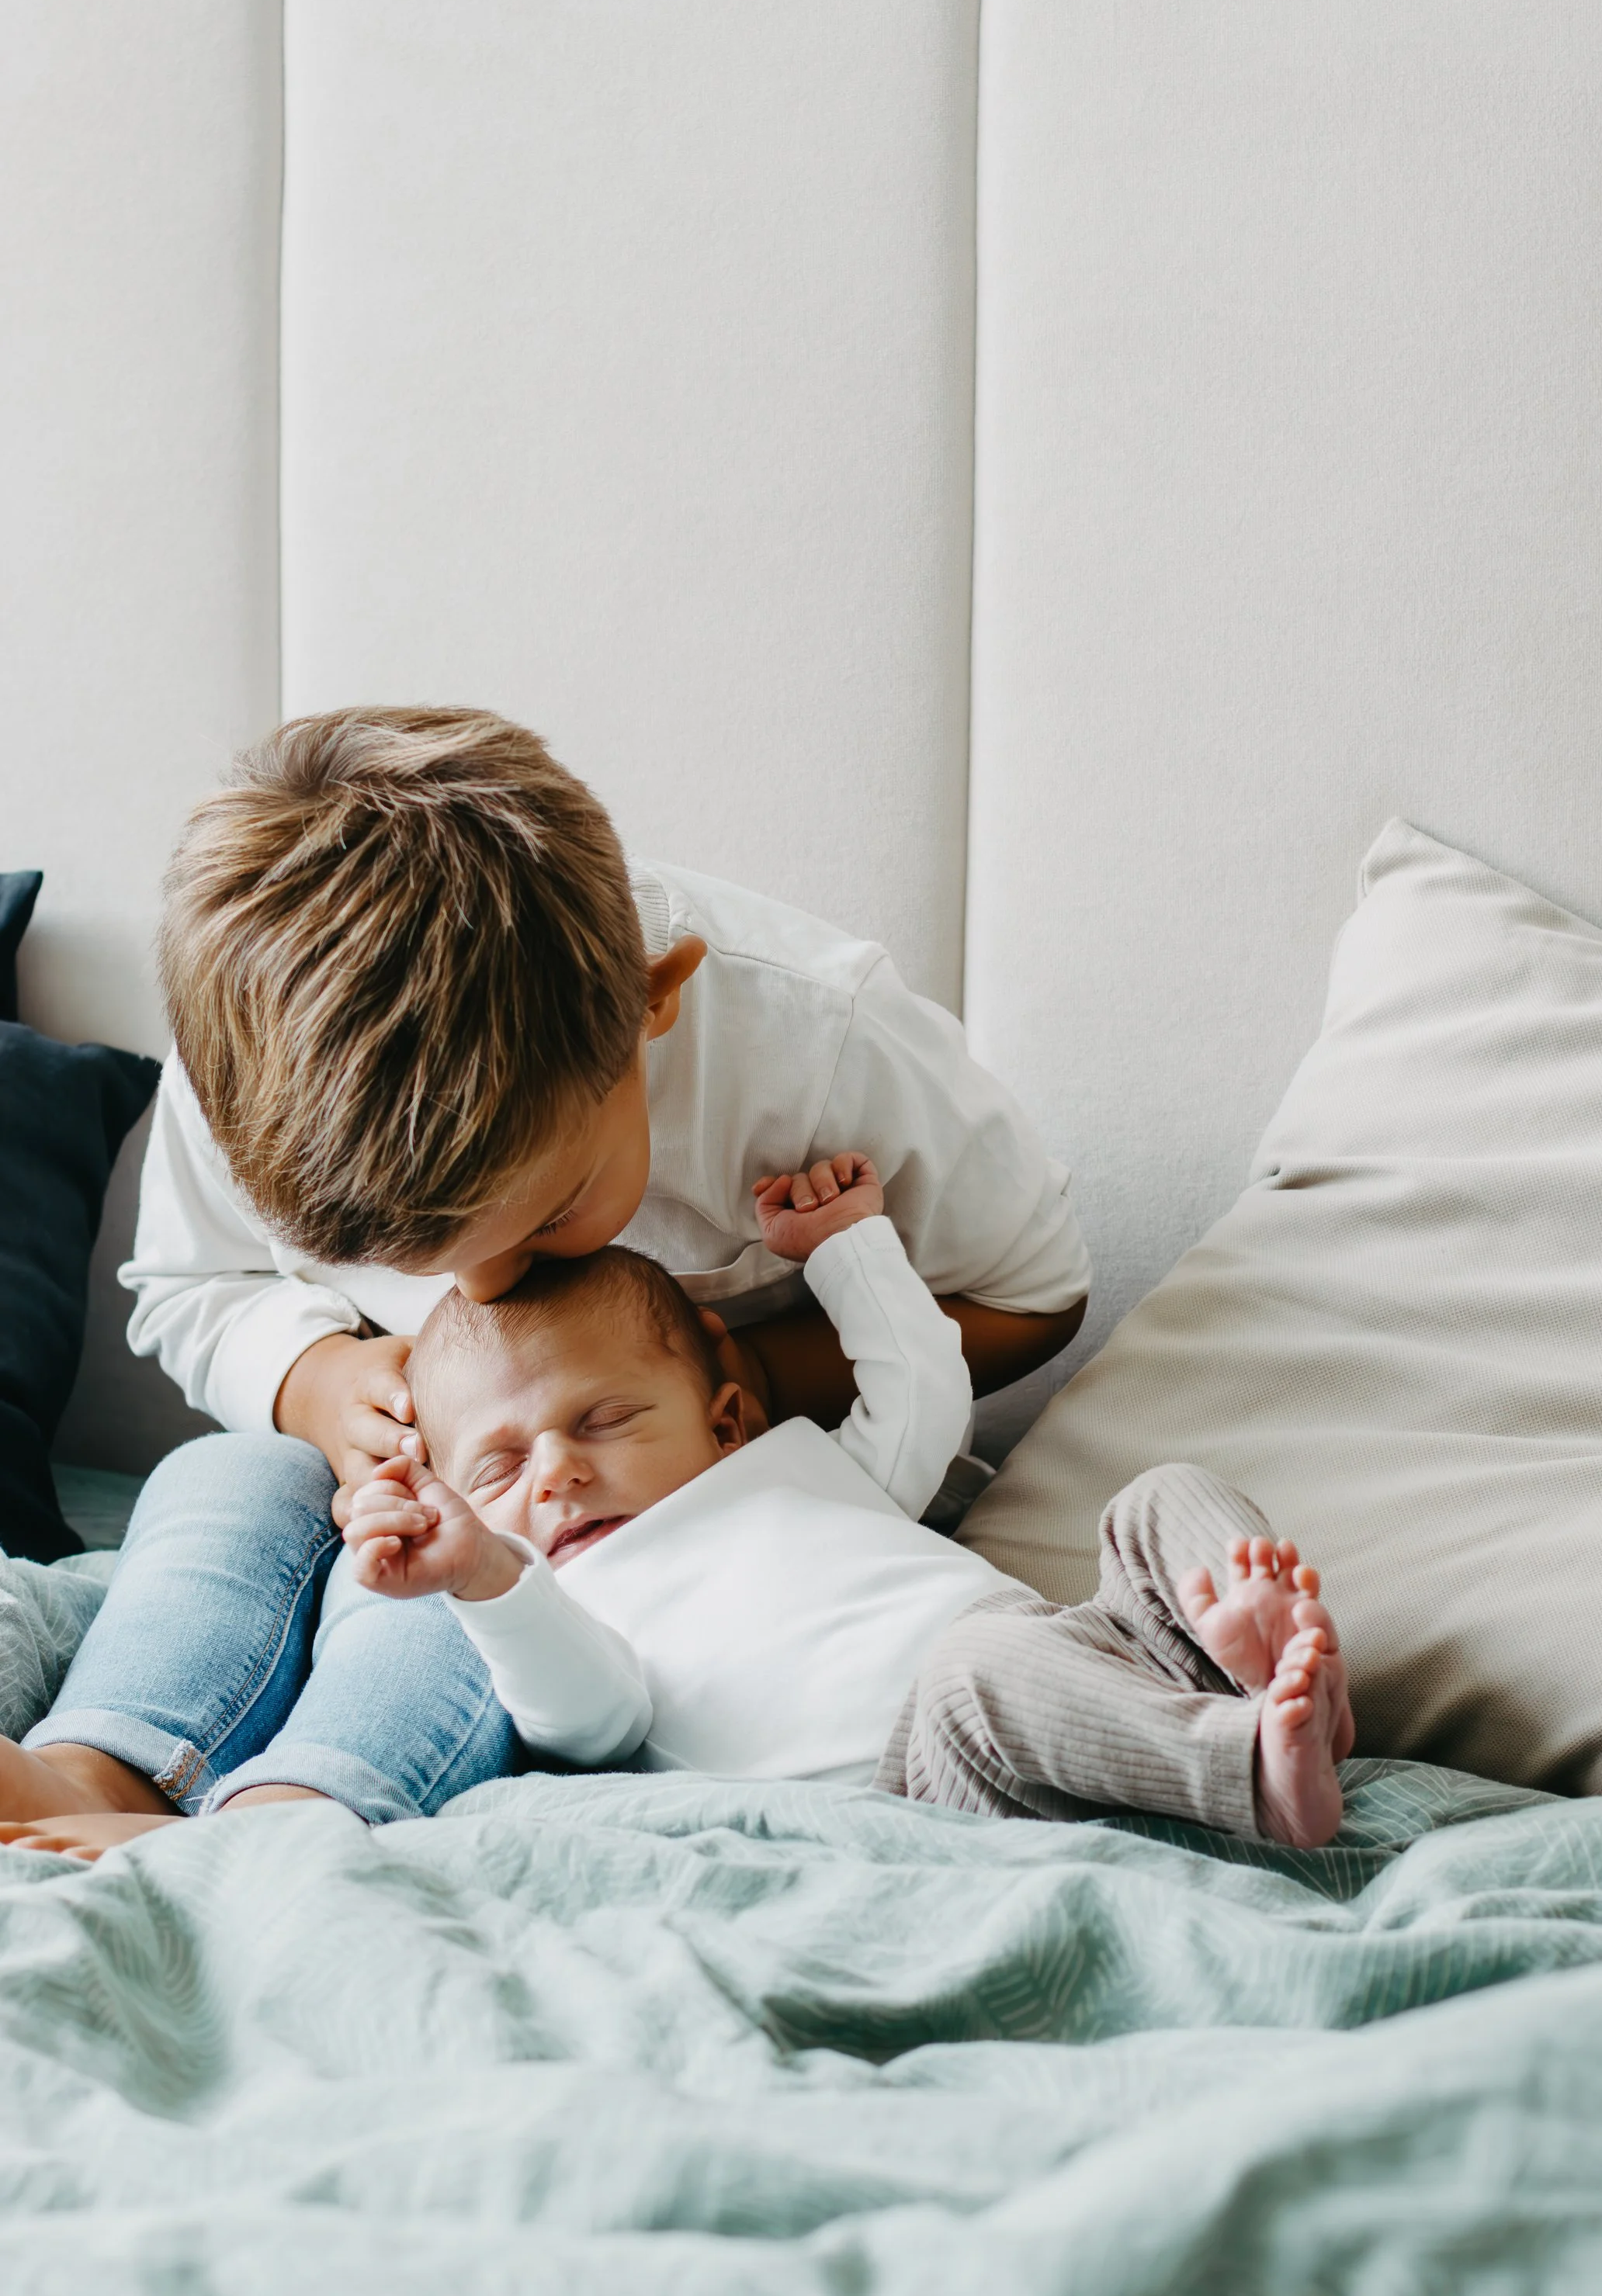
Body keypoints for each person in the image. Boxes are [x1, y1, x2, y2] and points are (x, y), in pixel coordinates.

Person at [0, 708, 1090, 1858]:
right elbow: (186, 1283)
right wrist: (312, 1381)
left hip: (604, 1522)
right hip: (399, 1461)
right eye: (400, 1265)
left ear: (650, 1002)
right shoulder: (255, 1059)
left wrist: (746, 1377)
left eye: (551, 1211)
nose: (476, 1287)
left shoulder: (811, 1042)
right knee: (224, 1473)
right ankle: (101, 1764)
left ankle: (300, 1810)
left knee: (454, 1580)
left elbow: (1032, 1292)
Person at [336, 1157, 1355, 1848]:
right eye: (499, 1469)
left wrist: (849, 1246)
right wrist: (481, 1573)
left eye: (603, 1419)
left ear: (726, 1421)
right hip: (933, 1785)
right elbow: (583, 1716)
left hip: (1084, 1665)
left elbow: (921, 1391)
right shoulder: (565, 1603)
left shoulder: (800, 1463)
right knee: (978, 1669)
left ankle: (1267, 1674)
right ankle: (1251, 1774)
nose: (556, 1470)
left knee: (1157, 1498)